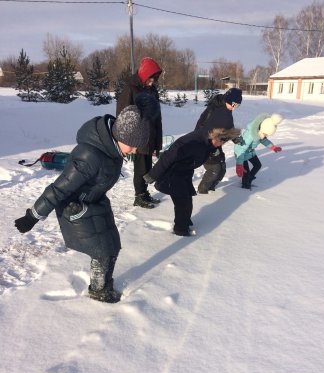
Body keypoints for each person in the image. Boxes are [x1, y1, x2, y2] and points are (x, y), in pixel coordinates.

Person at [14, 94, 157, 303]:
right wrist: (32, 216)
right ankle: (99, 291)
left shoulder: (112, 149)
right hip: (75, 208)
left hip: (94, 202)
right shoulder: (90, 156)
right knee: (103, 250)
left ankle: (104, 283)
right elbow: (59, 189)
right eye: (133, 145)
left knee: (112, 245)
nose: (135, 151)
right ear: (120, 136)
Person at [143, 126, 241, 236]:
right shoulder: (195, 143)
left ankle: (184, 221)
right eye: (222, 142)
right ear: (217, 138)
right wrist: (153, 174)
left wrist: (233, 137)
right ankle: (181, 229)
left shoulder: (209, 144)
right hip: (173, 174)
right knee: (183, 203)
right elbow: (169, 155)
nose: (221, 146)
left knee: (187, 200)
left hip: (184, 173)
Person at [117, 57, 163, 209]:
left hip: (151, 133)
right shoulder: (131, 88)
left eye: (155, 79)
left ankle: (144, 192)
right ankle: (139, 196)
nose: (153, 81)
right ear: (145, 74)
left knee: (147, 166)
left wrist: (158, 139)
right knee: (141, 167)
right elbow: (123, 112)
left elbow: (157, 115)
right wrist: (126, 138)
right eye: (151, 78)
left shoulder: (152, 90)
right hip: (137, 134)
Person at [195, 87, 242, 194]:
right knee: (214, 168)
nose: (234, 108)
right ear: (229, 100)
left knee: (222, 167)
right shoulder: (215, 109)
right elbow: (202, 127)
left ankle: (211, 188)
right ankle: (202, 191)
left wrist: (235, 138)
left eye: (237, 106)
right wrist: (207, 146)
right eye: (234, 105)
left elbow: (228, 127)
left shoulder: (227, 109)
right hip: (205, 143)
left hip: (216, 142)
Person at [235, 113, 283, 189]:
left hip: (250, 152)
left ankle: (249, 178)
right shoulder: (250, 135)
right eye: (266, 134)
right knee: (245, 171)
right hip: (241, 153)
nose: (266, 136)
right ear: (263, 129)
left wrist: (272, 147)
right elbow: (241, 149)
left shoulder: (260, 133)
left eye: (268, 135)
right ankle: (245, 186)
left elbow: (264, 140)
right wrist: (239, 165)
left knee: (257, 165)